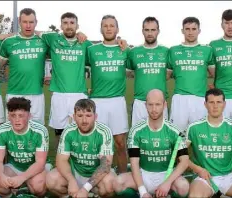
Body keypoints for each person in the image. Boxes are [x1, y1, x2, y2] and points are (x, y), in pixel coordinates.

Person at [42, 12, 122, 144]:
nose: (69, 26)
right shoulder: (52, 39)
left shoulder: (86, 44)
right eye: (65, 23)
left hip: (79, 94)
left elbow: (104, 51)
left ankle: (79, 162)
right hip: (59, 94)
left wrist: (119, 41)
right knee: (59, 133)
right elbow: (32, 32)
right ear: (61, 25)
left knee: (82, 131)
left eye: (72, 23)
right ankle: (60, 163)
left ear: (77, 25)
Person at [113, 89, 190, 198]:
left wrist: (167, 183)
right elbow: (134, 164)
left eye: (158, 104)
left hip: (166, 175)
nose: (154, 109)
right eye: (150, 105)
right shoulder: (136, 131)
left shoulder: (175, 131)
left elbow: (184, 161)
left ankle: (166, 194)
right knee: (118, 183)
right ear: (145, 105)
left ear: (164, 105)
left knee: (183, 187)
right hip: (144, 175)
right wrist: (143, 191)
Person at [186, 88, 232, 197]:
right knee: (195, 196)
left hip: (228, 176)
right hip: (204, 177)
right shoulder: (194, 128)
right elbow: (180, 155)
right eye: (211, 102)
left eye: (218, 102)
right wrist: (198, 169)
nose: (215, 106)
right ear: (205, 104)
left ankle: (220, 193)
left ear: (224, 104)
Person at [86, 15, 131, 174]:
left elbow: (134, 67)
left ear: (117, 29)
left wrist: (125, 44)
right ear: (101, 29)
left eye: (112, 26)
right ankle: (96, 177)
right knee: (97, 143)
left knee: (119, 142)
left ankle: (123, 176)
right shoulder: (91, 50)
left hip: (117, 101)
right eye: (105, 26)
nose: (109, 28)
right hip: (98, 102)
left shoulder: (124, 50)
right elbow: (76, 66)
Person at [46, 99, 116, 198]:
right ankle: (72, 195)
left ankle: (89, 193)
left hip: (97, 176)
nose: (84, 120)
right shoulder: (68, 131)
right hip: (76, 173)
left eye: (88, 115)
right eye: (80, 116)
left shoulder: (104, 132)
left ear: (95, 117)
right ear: (74, 117)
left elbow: (105, 165)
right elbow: (61, 161)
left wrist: (85, 188)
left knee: (110, 184)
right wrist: (71, 180)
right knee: (51, 179)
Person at [0, 97, 51, 197]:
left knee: (38, 186)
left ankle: (32, 192)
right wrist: (1, 176)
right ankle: (11, 195)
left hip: (37, 167)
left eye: (21, 116)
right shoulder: (2, 130)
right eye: (13, 115)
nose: (17, 120)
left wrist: (22, 178)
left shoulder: (40, 131)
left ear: (29, 116)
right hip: (14, 166)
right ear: (8, 116)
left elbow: (40, 163)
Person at [0, 8, 48, 124]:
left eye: (31, 22)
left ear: (36, 22)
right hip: (14, 93)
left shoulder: (43, 41)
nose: (28, 25)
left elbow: (59, 57)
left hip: (36, 94)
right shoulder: (8, 42)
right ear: (19, 21)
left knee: (37, 129)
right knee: (12, 130)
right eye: (25, 22)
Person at [168, 17, 215, 132]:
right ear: (182, 31)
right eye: (187, 29)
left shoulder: (207, 50)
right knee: (177, 135)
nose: (190, 32)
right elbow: (166, 75)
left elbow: (215, 74)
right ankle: (179, 151)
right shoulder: (173, 51)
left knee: (200, 135)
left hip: (200, 99)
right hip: (180, 98)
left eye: (194, 29)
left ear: (199, 31)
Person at [128, 17, 170, 125]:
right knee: (137, 137)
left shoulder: (166, 52)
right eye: (147, 30)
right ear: (142, 31)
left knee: (161, 138)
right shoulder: (134, 52)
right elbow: (129, 71)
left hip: (160, 103)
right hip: (140, 102)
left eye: (153, 30)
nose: (150, 33)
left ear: (158, 31)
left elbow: (170, 72)